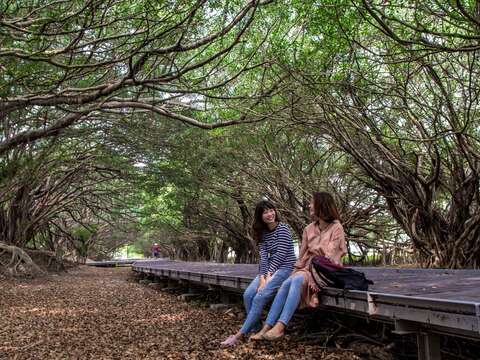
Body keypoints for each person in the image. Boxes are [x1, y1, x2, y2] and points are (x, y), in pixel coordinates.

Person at [251, 192, 347, 341]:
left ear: (322, 206)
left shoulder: (336, 228)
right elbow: (301, 257)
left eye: (312, 203)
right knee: (287, 283)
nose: (309, 205)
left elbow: (330, 259)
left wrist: (310, 275)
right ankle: (266, 327)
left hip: (327, 271)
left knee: (297, 280)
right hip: (307, 268)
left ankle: (280, 326)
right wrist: (293, 273)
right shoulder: (308, 229)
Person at [220, 200, 296, 347]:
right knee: (248, 295)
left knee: (259, 297)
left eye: (271, 210)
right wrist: (262, 278)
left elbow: (280, 255)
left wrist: (267, 278)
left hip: (285, 268)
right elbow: (263, 258)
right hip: (269, 271)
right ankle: (256, 331)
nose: (269, 214)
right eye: (265, 212)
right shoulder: (263, 234)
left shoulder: (284, 229)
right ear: (260, 216)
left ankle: (239, 335)